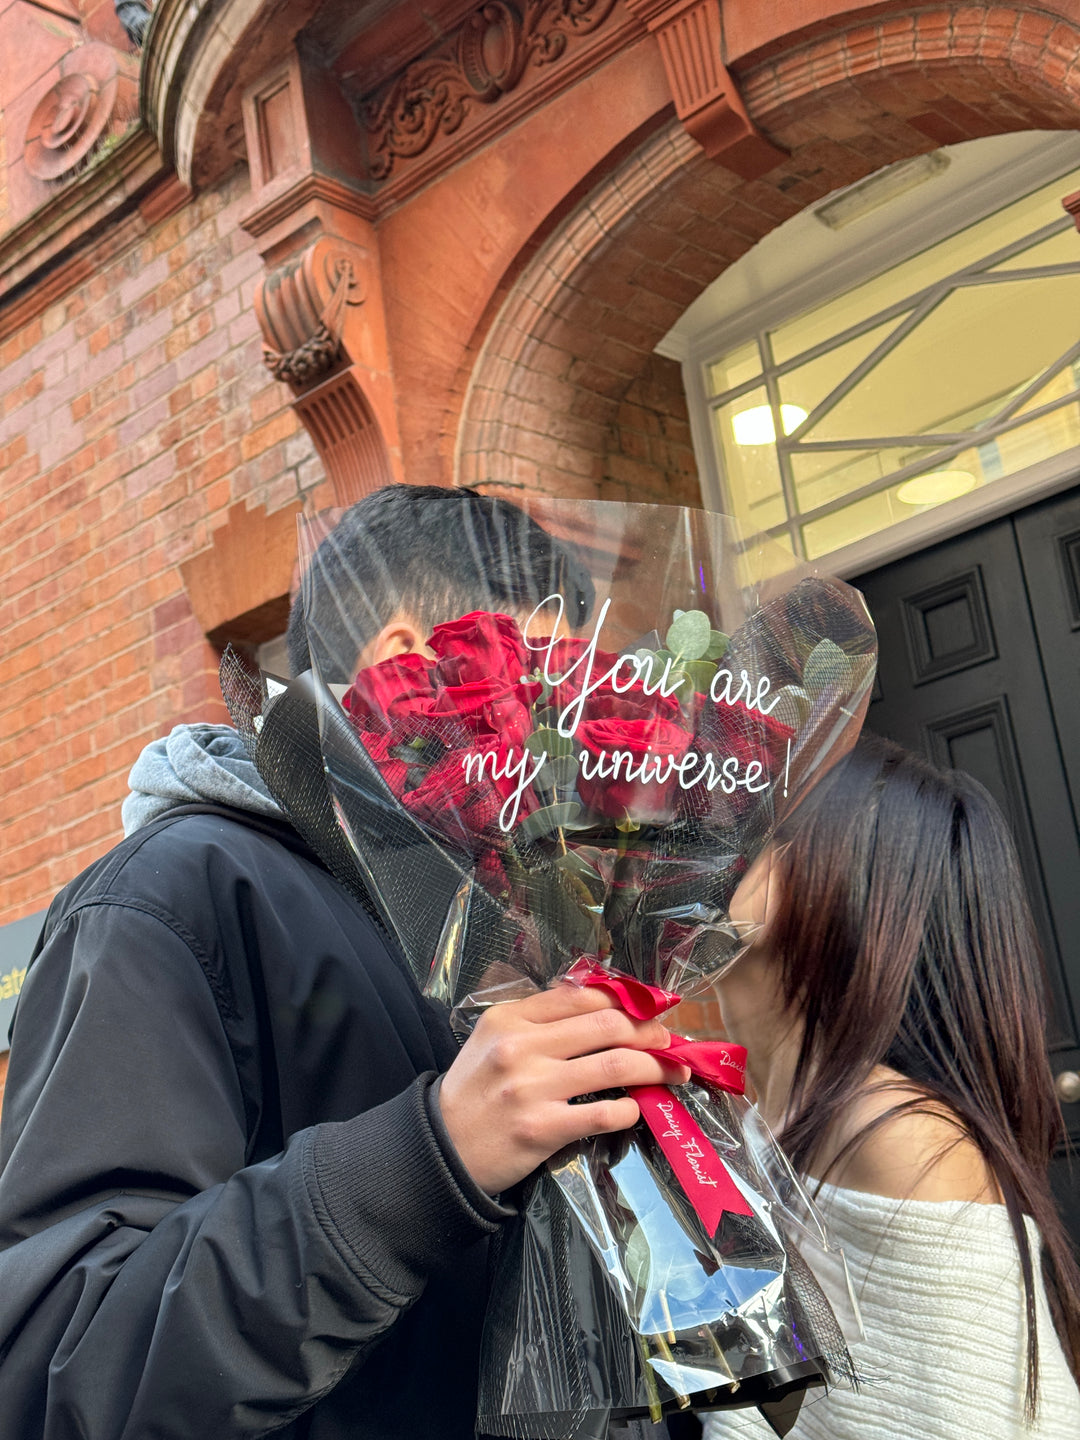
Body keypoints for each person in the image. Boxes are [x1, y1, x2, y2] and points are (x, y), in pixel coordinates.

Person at [0, 484, 691, 1440]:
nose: (565, 719)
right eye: (547, 669)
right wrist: (429, 1156)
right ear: (407, 658)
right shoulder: (172, 894)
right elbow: (53, 1371)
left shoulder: (507, 908)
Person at [702, 734, 1080, 1440]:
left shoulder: (894, 1133)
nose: (717, 842)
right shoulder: (762, 1124)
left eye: (764, 828)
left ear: (844, 883)